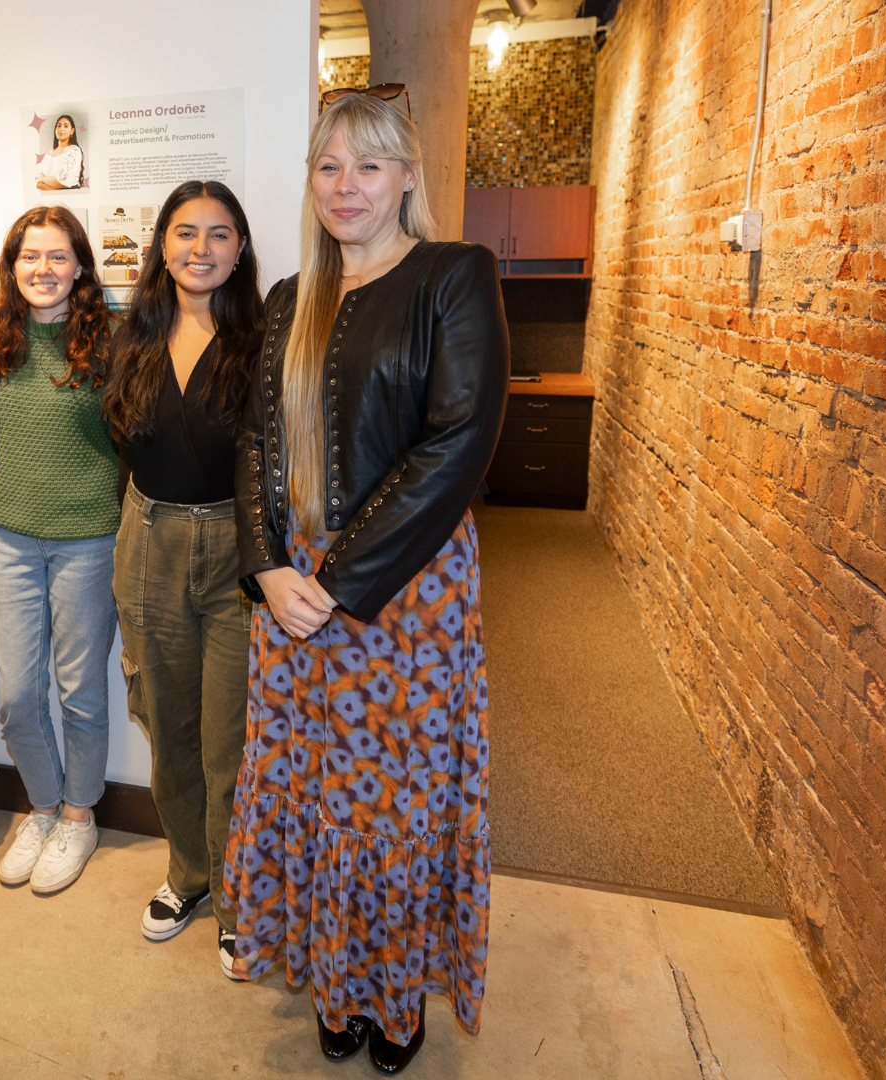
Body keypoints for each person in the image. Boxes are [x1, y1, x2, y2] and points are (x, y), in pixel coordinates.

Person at [224, 92, 508, 1074]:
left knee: (396, 808)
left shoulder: (452, 276)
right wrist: (266, 567)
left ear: (407, 178)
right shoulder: (286, 299)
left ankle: (395, 1000)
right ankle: (336, 985)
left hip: (405, 593)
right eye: (328, 168)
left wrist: (339, 579)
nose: (347, 188)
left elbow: (459, 442)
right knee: (310, 801)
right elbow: (258, 443)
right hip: (292, 599)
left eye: (370, 167)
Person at [101, 181, 263, 974]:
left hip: (237, 553)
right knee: (167, 729)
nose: (201, 248)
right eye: (186, 231)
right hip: (150, 541)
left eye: (220, 234)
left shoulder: (266, 340)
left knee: (229, 740)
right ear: (162, 244)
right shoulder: (127, 337)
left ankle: (238, 897)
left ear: (240, 250)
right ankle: (187, 875)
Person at [0, 206, 120, 895]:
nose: (43, 269)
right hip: (8, 536)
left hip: (89, 538)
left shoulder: (111, 341)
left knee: (82, 693)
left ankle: (77, 814)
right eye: (29, 257)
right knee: (17, 696)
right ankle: (40, 806)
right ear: (12, 268)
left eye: (57, 256)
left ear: (81, 267)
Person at [35, 114, 85, 191]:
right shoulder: (48, 154)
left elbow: (66, 180)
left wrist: (43, 179)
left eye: (66, 126)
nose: (61, 129)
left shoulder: (74, 151)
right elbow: (37, 183)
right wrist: (54, 184)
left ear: (72, 131)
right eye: (58, 126)